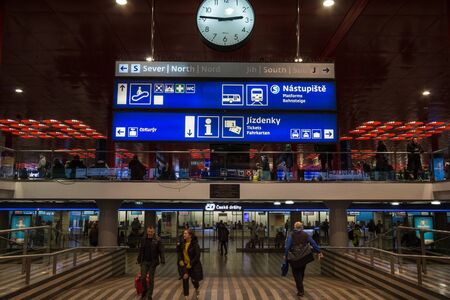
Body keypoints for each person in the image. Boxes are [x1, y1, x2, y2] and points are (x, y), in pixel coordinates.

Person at [285, 222, 323, 297]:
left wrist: (285, 255)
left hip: (294, 257)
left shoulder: (291, 235)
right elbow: (313, 243)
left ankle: (300, 290)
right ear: (302, 227)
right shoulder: (305, 234)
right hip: (304, 256)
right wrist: (319, 251)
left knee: (296, 274)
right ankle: (300, 286)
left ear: (294, 227)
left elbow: (288, 246)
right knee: (301, 272)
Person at [137, 226, 165, 300]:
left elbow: (161, 251)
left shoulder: (158, 240)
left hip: (153, 262)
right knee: (143, 278)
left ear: (154, 232)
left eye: (151, 232)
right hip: (144, 261)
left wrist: (162, 260)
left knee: (151, 279)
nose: (150, 233)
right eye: (149, 231)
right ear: (147, 231)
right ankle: (145, 290)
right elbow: (141, 251)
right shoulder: (143, 240)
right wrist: (138, 259)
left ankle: (149, 295)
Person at [178, 229, 203, 300]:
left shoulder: (195, 244)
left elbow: (197, 256)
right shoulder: (182, 243)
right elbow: (180, 253)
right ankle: (186, 296)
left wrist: (191, 263)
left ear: (190, 235)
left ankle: (197, 288)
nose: (184, 235)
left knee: (194, 280)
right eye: (184, 233)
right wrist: (180, 260)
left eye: (185, 233)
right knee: (185, 279)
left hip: (193, 265)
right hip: (185, 266)